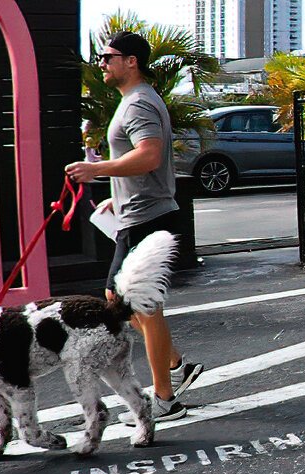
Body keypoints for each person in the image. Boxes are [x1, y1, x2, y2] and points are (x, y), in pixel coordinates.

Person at [65, 31, 203, 422]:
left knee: (136, 305)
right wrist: (116, 191)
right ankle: (175, 367)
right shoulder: (133, 101)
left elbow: (148, 156)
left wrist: (96, 170)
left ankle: (165, 398)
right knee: (123, 302)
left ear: (131, 61)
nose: (102, 63)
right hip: (137, 212)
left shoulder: (139, 103)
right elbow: (139, 162)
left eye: (108, 57)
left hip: (147, 217)